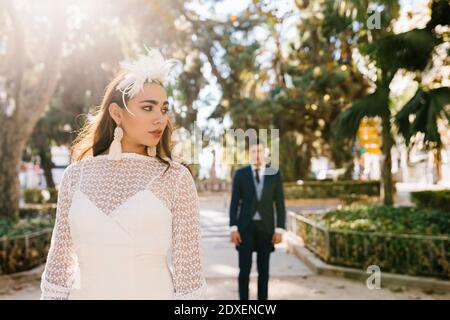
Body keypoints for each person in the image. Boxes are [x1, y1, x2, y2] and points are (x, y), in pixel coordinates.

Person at [40, 48, 207, 300]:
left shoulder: (176, 178)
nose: (159, 119)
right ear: (117, 114)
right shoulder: (75, 175)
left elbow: (189, 278)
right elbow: (59, 265)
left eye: (164, 109)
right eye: (148, 108)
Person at [229, 138, 286, 300]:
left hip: (266, 229)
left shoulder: (274, 174)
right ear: (249, 154)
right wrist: (233, 228)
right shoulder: (240, 174)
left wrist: (280, 229)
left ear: (266, 153)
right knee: (244, 270)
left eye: (260, 151)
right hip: (244, 229)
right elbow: (234, 203)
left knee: (264, 271)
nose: (257, 155)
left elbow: (280, 203)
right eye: (254, 151)